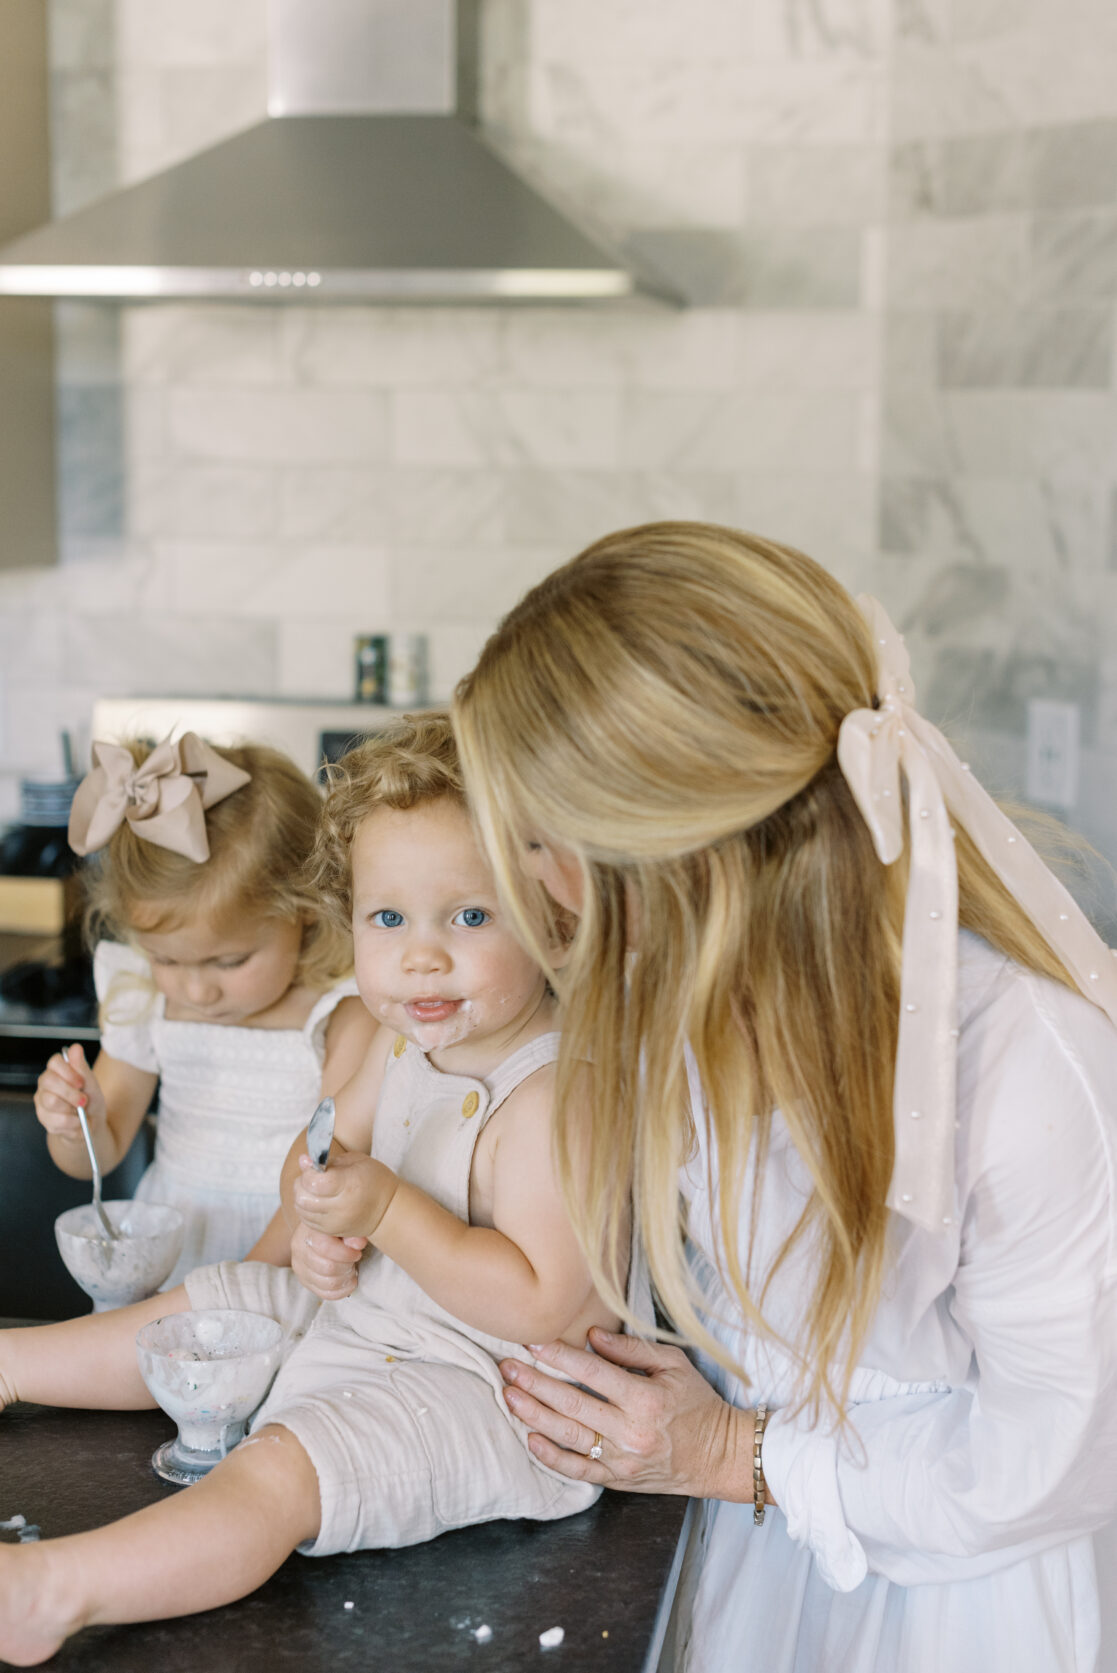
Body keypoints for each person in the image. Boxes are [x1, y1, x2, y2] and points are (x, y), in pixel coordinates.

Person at [450, 521, 1117, 1673]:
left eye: (544, 842)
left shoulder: (1028, 1072)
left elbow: (1048, 1464)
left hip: (940, 1608)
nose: (540, 887)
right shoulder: (692, 1007)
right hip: (754, 1550)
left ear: (676, 861)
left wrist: (731, 1454)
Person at [0, 713, 613, 1666]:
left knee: (281, 1468)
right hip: (381, 1319)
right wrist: (330, 1226)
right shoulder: (406, 1041)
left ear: (555, 917)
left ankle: (54, 1589)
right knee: (218, 1299)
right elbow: (323, 1153)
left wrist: (386, 1214)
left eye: (471, 916)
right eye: (389, 918)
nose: (420, 954)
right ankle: (10, 1364)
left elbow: (540, 1300)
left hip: (498, 1389)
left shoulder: (550, 1093)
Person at [33, 732, 372, 1285]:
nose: (195, 991)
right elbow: (100, 1153)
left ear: (306, 908)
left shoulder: (340, 1011)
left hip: (290, 1260)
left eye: (229, 961)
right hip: (170, 1257)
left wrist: (238, 1286)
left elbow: (327, 1170)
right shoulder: (144, 996)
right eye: (166, 959)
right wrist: (78, 1126)